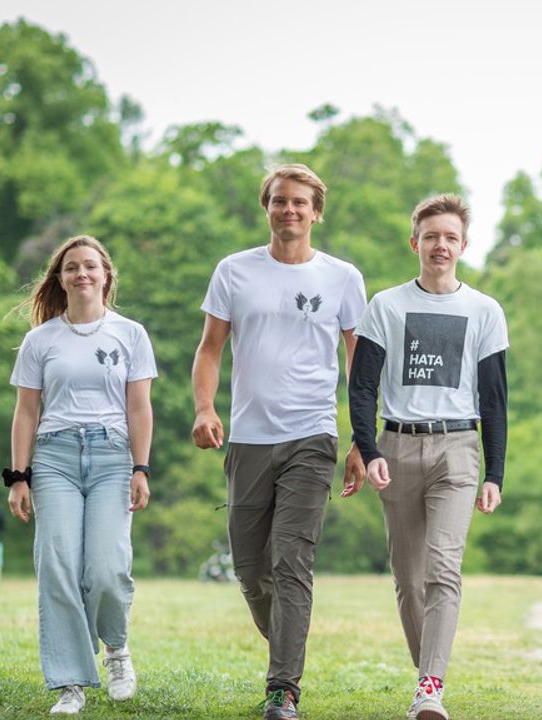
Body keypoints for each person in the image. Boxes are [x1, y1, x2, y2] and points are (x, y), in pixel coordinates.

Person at [192, 163, 368, 720]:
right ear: (266, 207)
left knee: (292, 562)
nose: (288, 210)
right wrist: (204, 407)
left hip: (312, 437)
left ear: (316, 212)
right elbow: (210, 349)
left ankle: (283, 689)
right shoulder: (234, 271)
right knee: (251, 571)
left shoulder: (342, 278)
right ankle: (290, 640)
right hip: (248, 437)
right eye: (278, 201)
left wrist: (363, 440)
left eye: (298, 202)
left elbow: (358, 365)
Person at [345, 194, 509, 720]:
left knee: (443, 568)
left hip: (457, 449)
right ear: (414, 241)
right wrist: (369, 449)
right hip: (396, 446)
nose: (441, 245)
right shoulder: (386, 306)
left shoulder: (484, 311)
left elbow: (494, 398)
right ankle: (428, 675)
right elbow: (362, 387)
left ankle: (430, 685)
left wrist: (495, 472)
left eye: (451, 237)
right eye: (432, 236)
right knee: (408, 577)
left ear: (464, 245)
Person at [5, 235, 155, 715]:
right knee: (58, 566)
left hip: (113, 457)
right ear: (60, 278)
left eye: (90, 266)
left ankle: (116, 649)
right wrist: (19, 477)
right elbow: (26, 412)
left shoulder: (131, 334)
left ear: (106, 275)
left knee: (106, 568)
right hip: (55, 458)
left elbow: (139, 407)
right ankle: (71, 681)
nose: (82, 274)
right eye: (72, 267)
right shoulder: (40, 340)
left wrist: (140, 467)